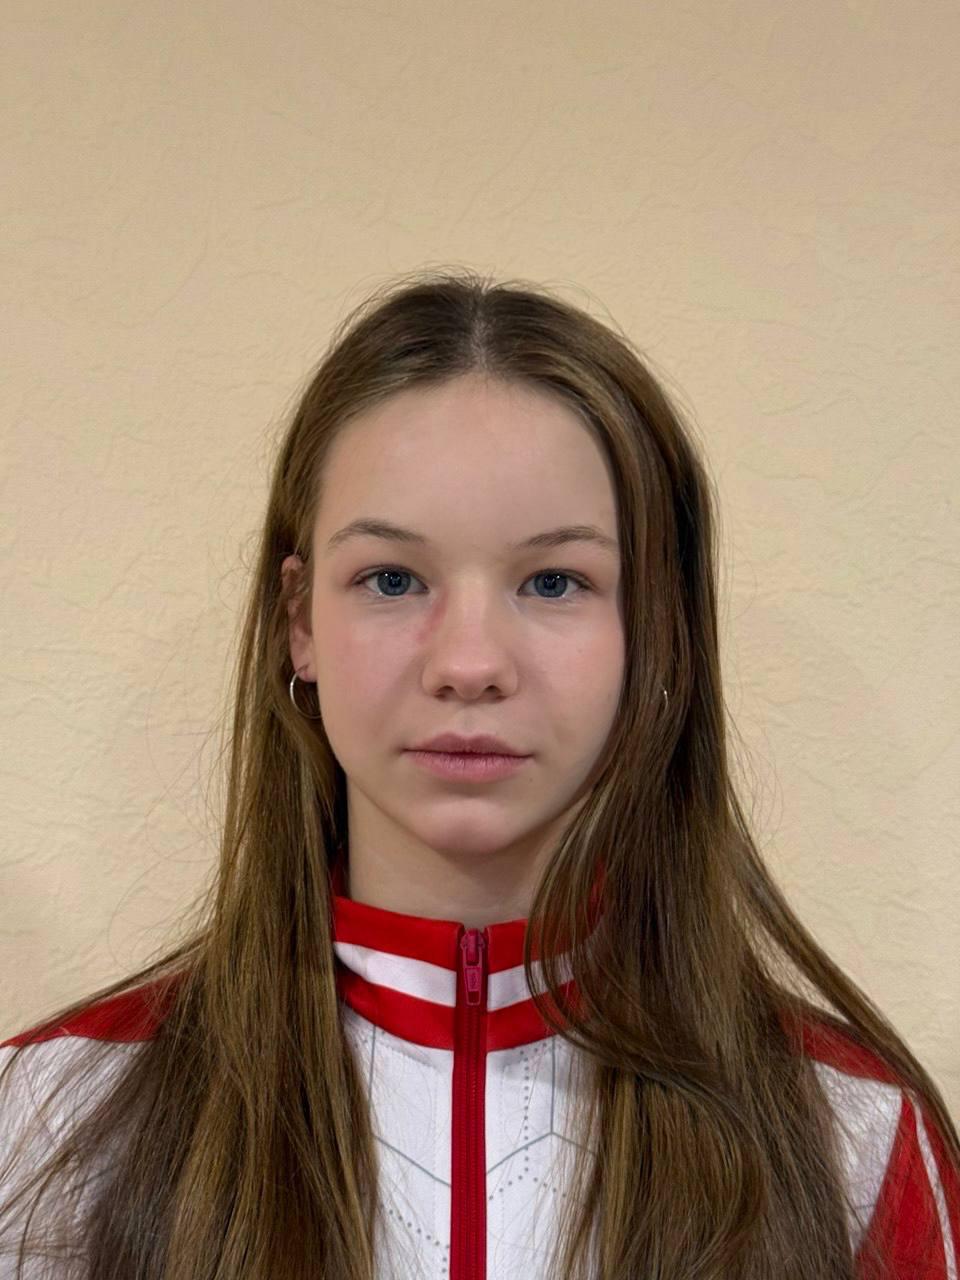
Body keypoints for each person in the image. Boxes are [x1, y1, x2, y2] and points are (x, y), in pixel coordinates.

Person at [1, 269, 957, 1280]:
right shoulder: (51, 1116)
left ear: (656, 628)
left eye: (554, 581)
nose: (467, 663)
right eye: (391, 578)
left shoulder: (856, 1138)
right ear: (300, 620)